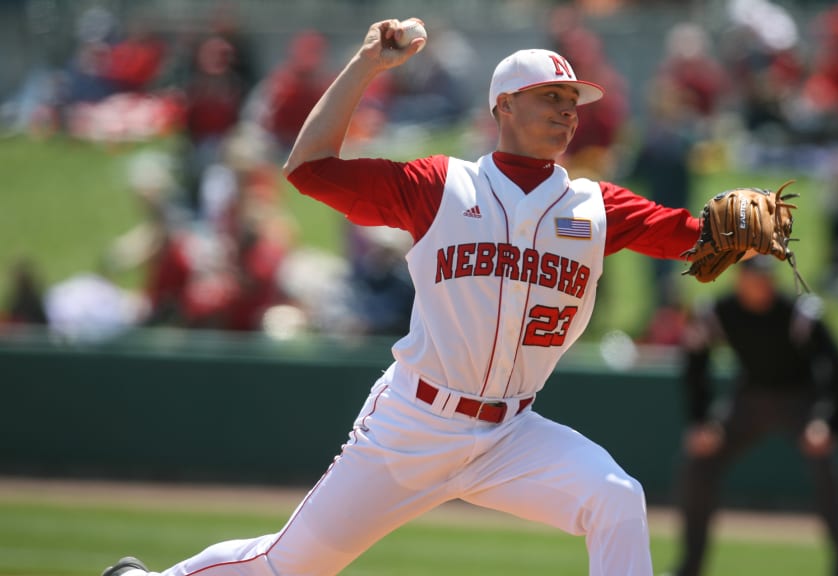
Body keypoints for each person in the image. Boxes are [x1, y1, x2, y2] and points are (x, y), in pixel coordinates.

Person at [100, 17, 729, 576]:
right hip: (415, 425)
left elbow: (695, 238)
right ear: (504, 106)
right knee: (291, 565)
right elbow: (310, 168)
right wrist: (367, 63)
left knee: (616, 497)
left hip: (510, 433)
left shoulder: (594, 207)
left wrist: (750, 234)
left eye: (573, 99)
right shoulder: (442, 186)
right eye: (551, 96)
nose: (568, 109)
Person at [670, 256, 838, 576]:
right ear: (739, 279)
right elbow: (694, 364)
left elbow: (837, 368)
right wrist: (701, 421)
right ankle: (690, 568)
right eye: (755, 276)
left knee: (826, 468)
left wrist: (829, 422)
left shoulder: (798, 312)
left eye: (767, 276)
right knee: (698, 463)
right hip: (749, 399)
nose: (762, 284)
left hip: (800, 400)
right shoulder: (719, 312)